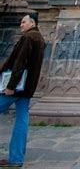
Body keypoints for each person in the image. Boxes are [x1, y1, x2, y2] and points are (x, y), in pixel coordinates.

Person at [0, 12, 45, 168]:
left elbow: (19, 63)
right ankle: (16, 158)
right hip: (27, 87)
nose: (21, 25)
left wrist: (11, 86)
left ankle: (16, 158)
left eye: (23, 22)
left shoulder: (28, 38)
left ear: (33, 23)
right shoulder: (40, 39)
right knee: (22, 121)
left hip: (17, 87)